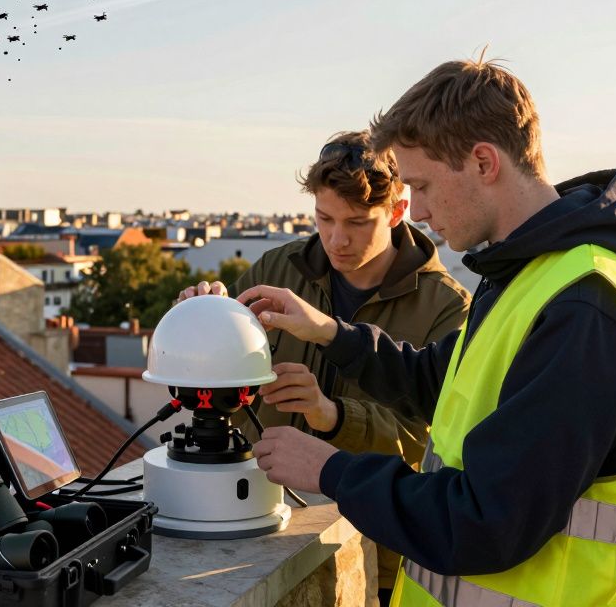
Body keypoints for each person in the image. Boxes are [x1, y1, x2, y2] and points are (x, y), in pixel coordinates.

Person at [241, 57, 616, 606]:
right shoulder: (529, 271)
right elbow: (441, 377)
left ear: (482, 162)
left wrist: (331, 470)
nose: (416, 210)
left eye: (421, 185)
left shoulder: (586, 308)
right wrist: (331, 332)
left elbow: (487, 521)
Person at [176, 130, 470, 598]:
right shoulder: (275, 271)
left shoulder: (447, 308)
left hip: (376, 550)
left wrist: (329, 414)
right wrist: (204, 319)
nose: (337, 239)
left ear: (396, 212)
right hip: (255, 528)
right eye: (324, 218)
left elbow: (432, 444)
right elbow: (218, 382)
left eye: (357, 222)